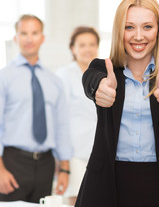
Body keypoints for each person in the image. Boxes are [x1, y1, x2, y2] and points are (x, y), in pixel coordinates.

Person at [75, 0, 159, 207]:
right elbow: (91, 79)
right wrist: (99, 88)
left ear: (158, 30)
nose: (138, 36)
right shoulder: (102, 70)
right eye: (129, 27)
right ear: (119, 31)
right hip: (110, 182)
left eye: (147, 27)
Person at [0, 15, 72, 203]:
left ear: (43, 38)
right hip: (12, 163)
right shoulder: (4, 78)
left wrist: (64, 168)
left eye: (34, 33)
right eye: (24, 33)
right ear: (15, 38)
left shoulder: (54, 81)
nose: (29, 39)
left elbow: (61, 125)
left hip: (46, 164)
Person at [56, 26, 100, 198]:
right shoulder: (64, 75)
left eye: (92, 44)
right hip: (75, 151)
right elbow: (60, 118)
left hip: (101, 149)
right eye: (82, 45)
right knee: (77, 198)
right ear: (73, 49)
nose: (87, 49)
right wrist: (62, 159)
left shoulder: (105, 74)